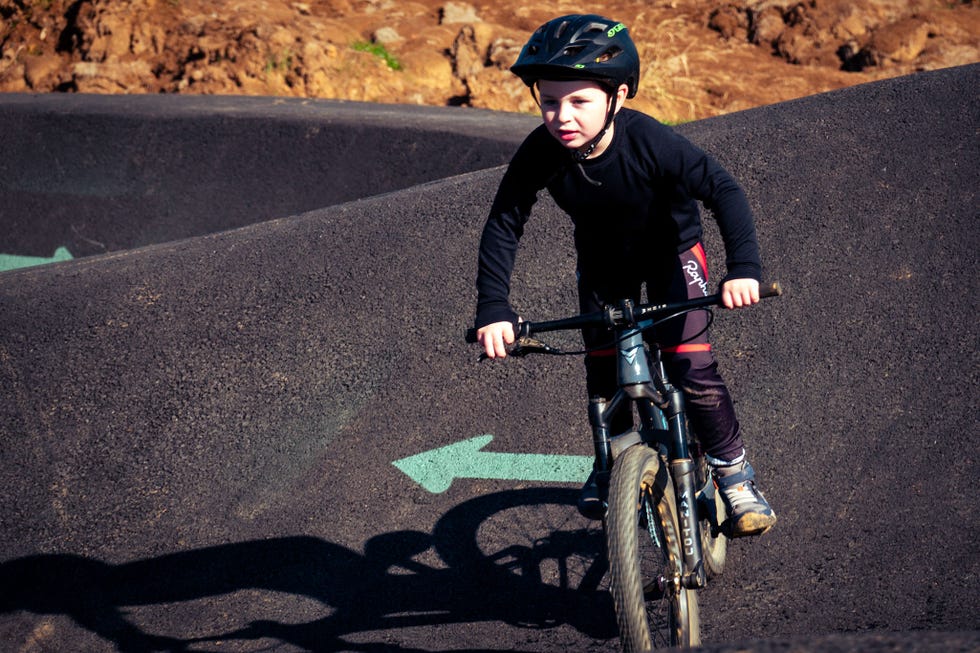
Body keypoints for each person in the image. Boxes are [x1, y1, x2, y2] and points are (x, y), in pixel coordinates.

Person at [472, 14, 776, 537]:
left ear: (619, 96)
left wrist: (743, 269)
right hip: (604, 264)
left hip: (672, 256)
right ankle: (609, 459)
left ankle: (733, 474)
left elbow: (723, 189)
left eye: (579, 102)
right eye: (548, 101)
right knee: (603, 367)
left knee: (690, 366)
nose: (561, 116)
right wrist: (494, 307)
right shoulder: (542, 152)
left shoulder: (649, 142)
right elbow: (504, 223)